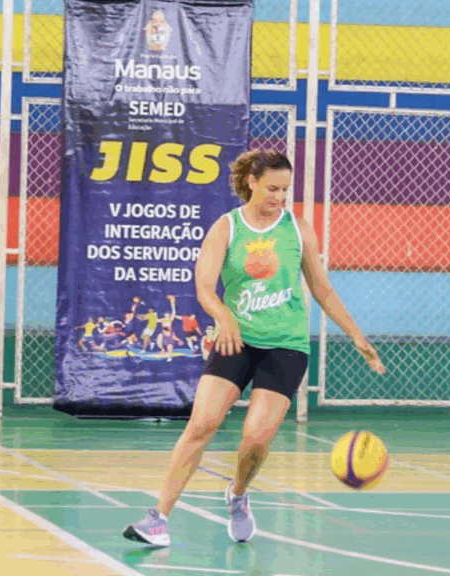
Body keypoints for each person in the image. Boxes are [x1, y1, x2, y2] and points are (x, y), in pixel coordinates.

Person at [123, 149, 386, 546]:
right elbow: (204, 287)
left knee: (256, 439)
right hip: (236, 340)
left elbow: (322, 288)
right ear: (252, 182)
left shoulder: (297, 229)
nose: (279, 197)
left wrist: (356, 335)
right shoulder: (226, 228)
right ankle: (157, 520)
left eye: (285, 190)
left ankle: (238, 494)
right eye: (272, 188)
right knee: (202, 424)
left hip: (286, 346)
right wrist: (224, 317)